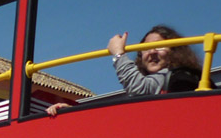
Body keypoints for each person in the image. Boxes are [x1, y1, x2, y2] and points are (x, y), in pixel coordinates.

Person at [47, 25, 201, 115]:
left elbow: (139, 87)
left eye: (159, 46)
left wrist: (119, 54)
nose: (152, 52)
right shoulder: (149, 86)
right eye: (146, 48)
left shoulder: (178, 77)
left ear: (174, 51)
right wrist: (75, 112)